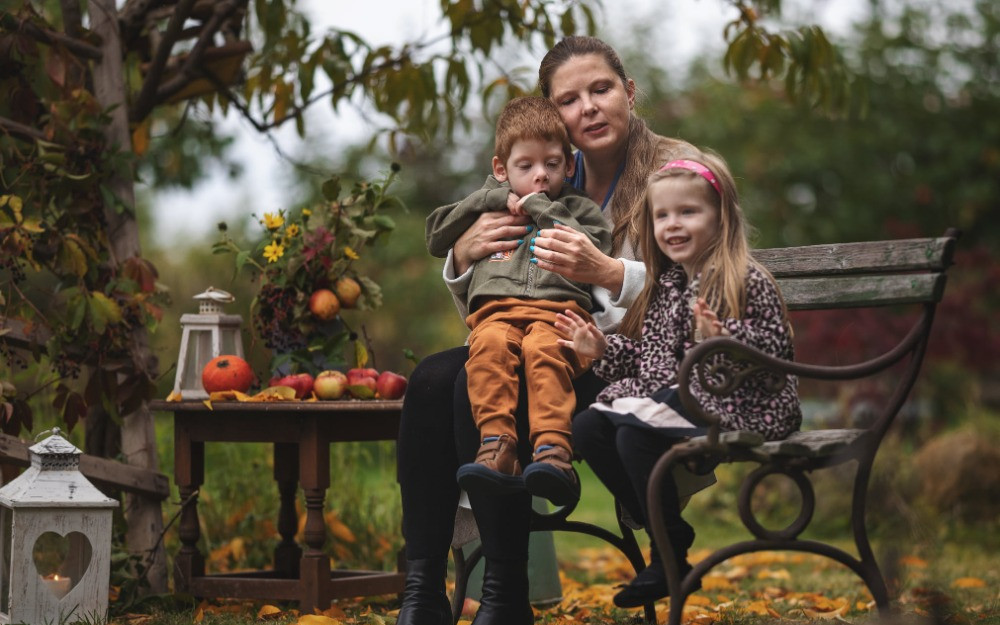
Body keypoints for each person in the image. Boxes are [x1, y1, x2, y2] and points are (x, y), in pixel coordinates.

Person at [395, 36, 710, 625]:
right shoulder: (544, 171)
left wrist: (611, 272)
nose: (588, 107)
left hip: (639, 365)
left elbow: (709, 284)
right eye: (569, 99)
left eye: (601, 89)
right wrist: (464, 255)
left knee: (474, 379)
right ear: (551, 115)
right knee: (435, 378)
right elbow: (500, 291)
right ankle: (422, 585)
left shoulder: (677, 169)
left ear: (629, 92)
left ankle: (505, 591)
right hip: (547, 336)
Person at [556, 149, 803, 608]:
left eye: (688, 212)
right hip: (684, 397)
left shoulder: (743, 278)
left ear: (721, 217)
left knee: (634, 431)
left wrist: (724, 339)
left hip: (746, 404)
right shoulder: (667, 285)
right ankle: (669, 538)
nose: (673, 224)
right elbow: (654, 359)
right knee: (588, 427)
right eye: (662, 215)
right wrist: (604, 349)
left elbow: (776, 349)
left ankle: (665, 553)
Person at [425, 96, 612, 505]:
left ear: (569, 165)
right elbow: (436, 236)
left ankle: (553, 453)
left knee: (543, 351)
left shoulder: (579, 209)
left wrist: (541, 208)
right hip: (495, 316)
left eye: (552, 164)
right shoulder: (488, 207)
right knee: (489, 352)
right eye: (525, 167)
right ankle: (496, 448)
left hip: (558, 316)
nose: (540, 176)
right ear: (501, 169)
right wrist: (489, 198)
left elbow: (597, 246)